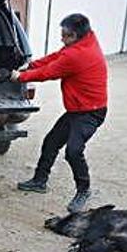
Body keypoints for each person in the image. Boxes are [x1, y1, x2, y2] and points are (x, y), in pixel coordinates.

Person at [13, 13, 108, 213]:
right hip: (77, 110)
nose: (61, 38)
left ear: (76, 36)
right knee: (51, 142)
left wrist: (20, 76)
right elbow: (55, 57)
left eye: (65, 35)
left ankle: (84, 190)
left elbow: (49, 72)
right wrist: (30, 64)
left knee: (73, 151)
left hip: (90, 113)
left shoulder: (78, 55)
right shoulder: (84, 42)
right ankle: (39, 181)